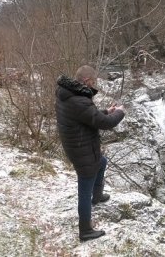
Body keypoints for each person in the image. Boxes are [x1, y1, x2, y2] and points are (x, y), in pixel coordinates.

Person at [55, 65, 125, 241]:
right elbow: (104, 123)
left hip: (77, 145)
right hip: (81, 148)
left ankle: (98, 195)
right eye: (93, 82)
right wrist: (120, 113)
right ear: (86, 81)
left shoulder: (69, 94)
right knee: (84, 188)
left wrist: (106, 111)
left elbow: (88, 116)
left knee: (101, 162)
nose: (95, 85)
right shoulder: (79, 100)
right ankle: (85, 230)